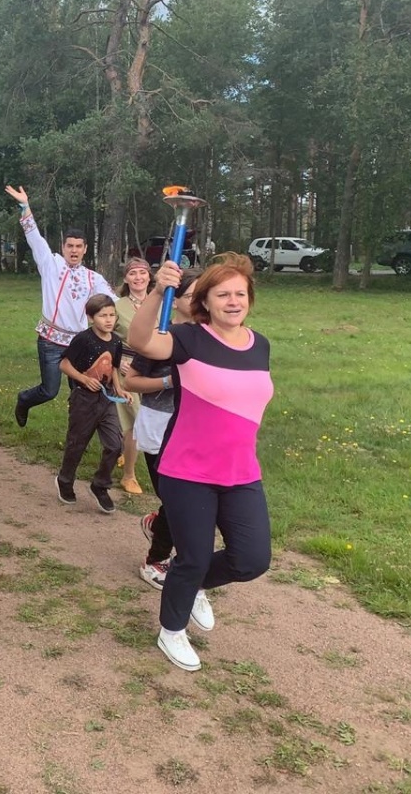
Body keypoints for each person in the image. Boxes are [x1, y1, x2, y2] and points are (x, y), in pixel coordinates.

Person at [127, 253, 274, 673]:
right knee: (192, 556)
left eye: (240, 293)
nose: (233, 301)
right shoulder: (190, 339)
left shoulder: (259, 344)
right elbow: (141, 342)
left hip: (241, 471)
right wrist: (157, 290)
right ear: (205, 302)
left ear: (250, 299)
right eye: (222, 294)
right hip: (188, 470)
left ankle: (190, 585)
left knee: (251, 558)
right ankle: (171, 629)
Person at [4, 185, 115, 428]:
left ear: (85, 249)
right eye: (69, 246)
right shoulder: (50, 264)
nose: (74, 250)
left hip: (80, 344)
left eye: (78, 246)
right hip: (51, 340)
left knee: (82, 391)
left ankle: (78, 431)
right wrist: (25, 206)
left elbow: (114, 302)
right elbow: (35, 238)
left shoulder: (92, 278)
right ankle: (24, 400)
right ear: (63, 248)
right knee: (49, 390)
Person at [124, 268, 201, 591]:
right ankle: (155, 560)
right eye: (192, 295)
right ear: (178, 300)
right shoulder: (161, 337)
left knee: (182, 500)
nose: (199, 301)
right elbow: (131, 381)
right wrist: (169, 381)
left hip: (194, 430)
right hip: (159, 429)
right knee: (175, 500)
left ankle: (158, 524)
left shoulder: (210, 337)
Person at [55, 293, 131, 514]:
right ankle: (65, 480)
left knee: (115, 445)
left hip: (106, 400)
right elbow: (64, 364)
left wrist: (119, 388)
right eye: (102, 315)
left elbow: (114, 368)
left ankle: (100, 485)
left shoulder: (116, 341)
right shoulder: (83, 339)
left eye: (112, 315)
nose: (108, 320)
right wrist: (83, 379)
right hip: (83, 399)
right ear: (90, 318)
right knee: (77, 443)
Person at [112, 258, 153, 496]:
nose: (138, 278)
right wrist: (118, 363)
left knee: (156, 420)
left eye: (142, 273)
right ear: (126, 279)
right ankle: (129, 475)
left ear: (149, 276)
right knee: (136, 423)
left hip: (155, 369)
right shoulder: (118, 307)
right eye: (133, 274)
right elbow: (105, 337)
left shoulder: (161, 303)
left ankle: (127, 454)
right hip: (127, 369)